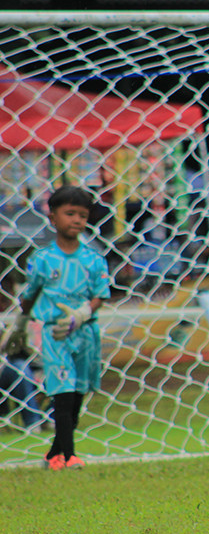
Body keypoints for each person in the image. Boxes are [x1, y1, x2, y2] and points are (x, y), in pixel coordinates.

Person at [3, 186, 110, 470]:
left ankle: (54, 454)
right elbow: (31, 295)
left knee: (76, 396)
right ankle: (70, 456)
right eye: (70, 213)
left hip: (85, 333)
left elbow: (101, 294)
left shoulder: (94, 260)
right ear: (53, 217)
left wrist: (83, 312)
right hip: (55, 334)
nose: (76, 220)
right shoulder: (41, 259)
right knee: (61, 392)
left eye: (83, 216)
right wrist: (21, 325)